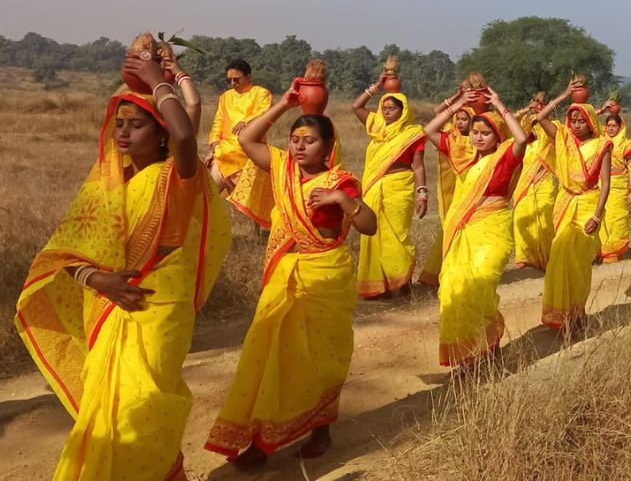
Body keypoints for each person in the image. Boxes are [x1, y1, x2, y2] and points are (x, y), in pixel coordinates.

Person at [17, 53, 231, 481]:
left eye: (138, 124)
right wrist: (98, 279)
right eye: (120, 123)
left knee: (144, 404)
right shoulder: (105, 188)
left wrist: (158, 80)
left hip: (159, 306)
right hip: (109, 305)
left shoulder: (177, 175)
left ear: (162, 133)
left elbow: (188, 137)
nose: (125, 132)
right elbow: (65, 252)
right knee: (109, 406)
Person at [206, 95, 377, 467]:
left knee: (317, 359)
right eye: (294, 139)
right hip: (285, 274)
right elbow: (248, 141)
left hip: (325, 276)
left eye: (309, 140)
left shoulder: (341, 181)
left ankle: (320, 427)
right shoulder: (282, 168)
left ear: (329, 147)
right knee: (268, 355)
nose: (299, 146)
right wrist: (283, 104)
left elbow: (369, 226)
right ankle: (260, 439)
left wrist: (341, 201)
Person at [422, 87, 528, 365]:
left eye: (485, 133)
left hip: (492, 232)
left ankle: (485, 341)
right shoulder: (464, 159)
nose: (478, 138)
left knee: (480, 287)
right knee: (453, 288)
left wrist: (499, 104)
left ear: (496, 136)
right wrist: (459, 103)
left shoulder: (503, 159)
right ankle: (470, 354)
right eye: (475, 133)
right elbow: (429, 130)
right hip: (465, 232)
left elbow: (521, 138)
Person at [536, 81, 612, 329]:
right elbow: (541, 116)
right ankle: (561, 314)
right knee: (559, 256)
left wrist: (598, 217)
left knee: (579, 264)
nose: (576, 125)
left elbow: (606, 183)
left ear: (590, 122)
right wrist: (566, 95)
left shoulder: (603, 145)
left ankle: (577, 311)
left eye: (581, 121)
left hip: (588, 205)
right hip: (565, 203)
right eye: (573, 120)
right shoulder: (563, 138)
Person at [351, 77, 428, 298]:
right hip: (374, 187)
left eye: (391, 108)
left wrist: (422, 193)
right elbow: (356, 106)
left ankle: (402, 280)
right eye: (383, 108)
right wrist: (374, 88)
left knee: (397, 235)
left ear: (403, 110)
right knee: (373, 235)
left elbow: (418, 165)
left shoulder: (413, 133)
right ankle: (378, 288)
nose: (386, 112)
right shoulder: (376, 125)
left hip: (400, 186)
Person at [419, 91, 477, 286]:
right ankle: (450, 273)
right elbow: (430, 128)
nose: (460, 123)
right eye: (457, 119)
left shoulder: (482, 142)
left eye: (464, 119)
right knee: (453, 230)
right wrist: (458, 100)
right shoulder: (452, 140)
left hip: (479, 197)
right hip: (457, 193)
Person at [208, 59, 272, 192]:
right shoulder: (226, 97)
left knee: (246, 203)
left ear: (249, 77)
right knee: (210, 195)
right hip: (223, 152)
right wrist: (214, 142)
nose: (233, 83)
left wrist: (247, 122)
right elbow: (218, 121)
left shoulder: (261, 93)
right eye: (230, 80)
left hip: (248, 152)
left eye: (237, 79)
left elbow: (265, 113)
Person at [512, 96, 557, 270]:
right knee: (521, 219)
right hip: (524, 186)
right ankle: (524, 257)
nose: (535, 130)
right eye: (532, 127)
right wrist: (526, 109)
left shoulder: (548, 141)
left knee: (544, 221)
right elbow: (511, 124)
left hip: (544, 185)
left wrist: (541, 112)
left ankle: (546, 256)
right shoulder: (524, 145)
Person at [598, 113, 631, 263]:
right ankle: (603, 250)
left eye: (614, 126)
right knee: (603, 218)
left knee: (617, 219)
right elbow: (591, 122)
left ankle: (614, 252)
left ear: (620, 127)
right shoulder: (602, 141)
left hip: (620, 187)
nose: (611, 129)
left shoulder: (626, 144)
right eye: (608, 126)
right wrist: (602, 110)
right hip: (603, 185)